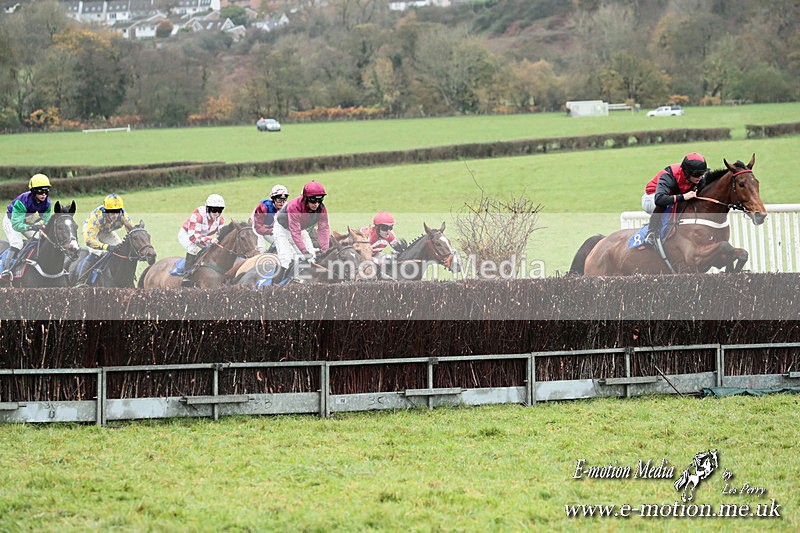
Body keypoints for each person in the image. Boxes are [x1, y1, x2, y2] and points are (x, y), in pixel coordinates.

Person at [642, 152, 708, 246]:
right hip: (651, 198)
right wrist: (683, 197)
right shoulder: (668, 176)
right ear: (687, 173)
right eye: (697, 174)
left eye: (702, 173)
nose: (700, 177)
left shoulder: (697, 178)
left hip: (670, 198)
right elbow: (659, 199)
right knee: (666, 203)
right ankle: (651, 233)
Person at [273, 180, 330, 280]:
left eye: (319, 200)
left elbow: (323, 229)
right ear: (305, 199)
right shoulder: (294, 206)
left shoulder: (321, 209)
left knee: (311, 258)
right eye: (313, 200)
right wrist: (304, 251)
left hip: (300, 229)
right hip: (282, 229)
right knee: (285, 260)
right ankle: (273, 287)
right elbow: (295, 233)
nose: (316, 204)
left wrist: (325, 249)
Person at [1, 173, 52, 272]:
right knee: (17, 243)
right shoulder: (22, 201)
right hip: (11, 221)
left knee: (40, 239)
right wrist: (33, 227)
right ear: (33, 191)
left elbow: (45, 220)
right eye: (41, 191)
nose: (44, 195)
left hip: (26, 221)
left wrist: (43, 225)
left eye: (46, 191)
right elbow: (16, 225)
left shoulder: (47, 203)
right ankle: (6, 270)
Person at [178, 194, 226, 283]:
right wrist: (210, 240)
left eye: (219, 210)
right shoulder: (197, 215)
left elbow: (222, 234)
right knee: (192, 248)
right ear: (208, 208)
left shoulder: (220, 219)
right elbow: (193, 238)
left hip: (202, 236)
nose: (217, 213)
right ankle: (186, 274)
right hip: (187, 234)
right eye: (214, 210)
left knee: (211, 248)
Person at [251, 184, 289, 253]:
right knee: (261, 250)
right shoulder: (264, 207)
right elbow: (258, 229)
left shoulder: (286, 207)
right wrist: (273, 231)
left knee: (283, 244)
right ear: (273, 199)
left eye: (284, 200)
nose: (282, 203)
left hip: (270, 228)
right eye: (279, 200)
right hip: (256, 228)